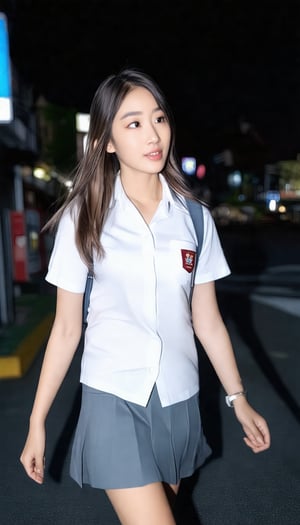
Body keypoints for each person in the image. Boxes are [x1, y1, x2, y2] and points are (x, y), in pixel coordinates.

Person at [20, 67, 271, 525]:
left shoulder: (194, 219)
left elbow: (208, 321)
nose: (153, 134)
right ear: (107, 141)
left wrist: (239, 399)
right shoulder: (85, 218)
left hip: (179, 399)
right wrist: (37, 422)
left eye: (159, 118)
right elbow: (65, 328)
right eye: (133, 123)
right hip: (113, 397)